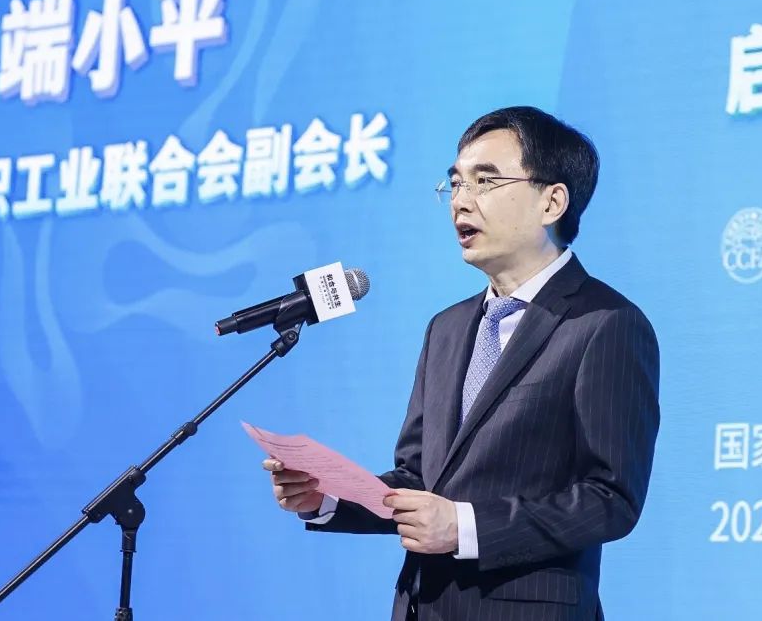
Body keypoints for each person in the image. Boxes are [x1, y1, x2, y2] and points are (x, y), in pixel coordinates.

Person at [264, 106, 660, 621]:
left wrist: (465, 527)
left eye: (485, 181)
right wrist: (327, 497)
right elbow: (418, 480)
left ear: (552, 201)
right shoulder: (446, 328)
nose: (460, 201)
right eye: (454, 184)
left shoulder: (605, 323)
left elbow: (610, 498)